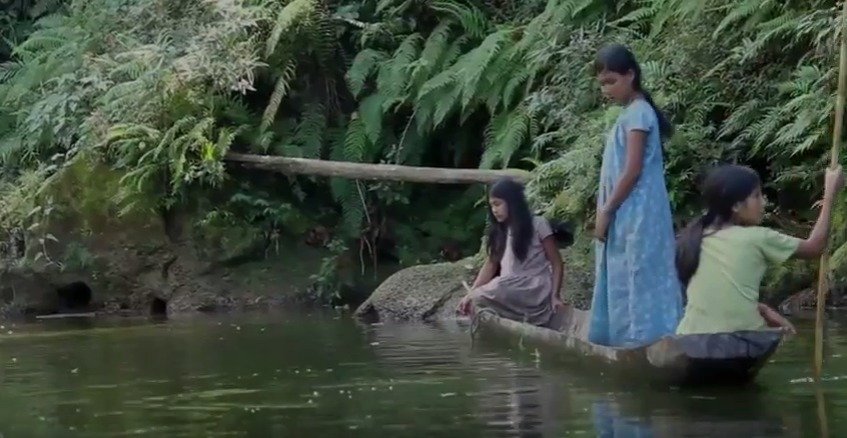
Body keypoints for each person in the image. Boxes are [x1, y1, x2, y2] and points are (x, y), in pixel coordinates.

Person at [675, 164, 845, 335]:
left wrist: (762, 309)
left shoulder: (695, 238)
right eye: (757, 196)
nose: (763, 202)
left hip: (689, 339)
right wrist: (830, 193)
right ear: (736, 206)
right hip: (739, 341)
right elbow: (815, 247)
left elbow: (719, 297)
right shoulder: (758, 237)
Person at [588, 44, 682, 347]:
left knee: (639, 273)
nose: (606, 90)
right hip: (629, 211)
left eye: (611, 81)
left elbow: (632, 170)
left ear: (631, 75)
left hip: (636, 212)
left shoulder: (639, 113)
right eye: (602, 83)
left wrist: (607, 210)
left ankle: (644, 341)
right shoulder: (633, 112)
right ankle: (630, 339)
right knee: (629, 272)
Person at [456, 177, 565, 327]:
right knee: (479, 298)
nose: (494, 210)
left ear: (512, 202)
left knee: (496, 287)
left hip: (534, 288)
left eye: (498, 204)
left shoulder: (538, 224)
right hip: (510, 288)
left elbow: (557, 263)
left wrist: (555, 296)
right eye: (492, 206)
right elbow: (490, 265)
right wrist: (471, 293)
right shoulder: (500, 230)